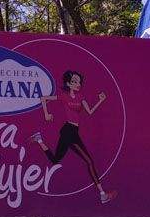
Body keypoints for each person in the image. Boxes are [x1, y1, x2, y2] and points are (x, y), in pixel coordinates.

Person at [30, 70, 114, 204]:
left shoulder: (81, 97)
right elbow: (43, 98)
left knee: (56, 160)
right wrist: (46, 114)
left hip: (73, 131)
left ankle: (39, 139)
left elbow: (90, 112)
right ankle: (102, 194)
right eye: (74, 81)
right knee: (89, 161)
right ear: (68, 83)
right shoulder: (64, 96)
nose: (78, 83)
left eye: (79, 81)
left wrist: (100, 100)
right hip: (69, 131)